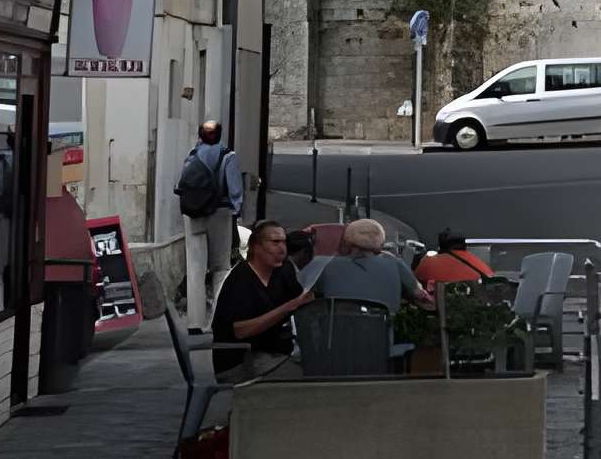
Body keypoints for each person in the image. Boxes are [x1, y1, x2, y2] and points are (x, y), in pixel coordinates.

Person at [210, 218, 311, 381]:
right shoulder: (241, 280)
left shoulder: (282, 270)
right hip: (241, 361)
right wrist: (288, 307)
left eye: (284, 242)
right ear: (256, 247)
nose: (282, 249)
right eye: (275, 242)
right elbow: (240, 330)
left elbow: (302, 300)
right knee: (311, 378)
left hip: (274, 353)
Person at [177, 117, 243, 331]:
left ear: (200, 135)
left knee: (195, 267)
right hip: (219, 213)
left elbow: (180, 184)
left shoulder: (192, 155)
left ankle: (194, 322)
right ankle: (216, 320)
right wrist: (236, 211)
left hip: (193, 214)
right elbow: (235, 191)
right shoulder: (228, 156)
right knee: (220, 267)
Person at [311, 217, 433, 315]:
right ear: (380, 242)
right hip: (381, 340)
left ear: (346, 240)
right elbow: (419, 294)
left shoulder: (324, 264)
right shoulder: (395, 263)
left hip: (335, 339)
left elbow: (310, 294)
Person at [414, 229, 494, 289]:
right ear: (464, 246)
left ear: (441, 247)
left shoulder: (430, 262)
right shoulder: (480, 265)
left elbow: (416, 279)